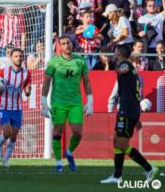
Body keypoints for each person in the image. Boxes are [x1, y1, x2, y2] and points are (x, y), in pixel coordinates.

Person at [101, 45, 158, 184]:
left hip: (127, 110)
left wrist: (121, 68)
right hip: (128, 110)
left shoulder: (125, 65)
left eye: (115, 52)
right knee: (116, 140)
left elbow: (124, 69)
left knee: (121, 143)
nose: (113, 54)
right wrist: (136, 116)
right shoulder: (133, 73)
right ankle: (117, 175)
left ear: (119, 53)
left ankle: (149, 167)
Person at [41, 36, 93, 172]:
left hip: (75, 103)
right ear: (59, 47)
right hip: (58, 102)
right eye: (63, 44)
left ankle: (69, 152)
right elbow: (46, 82)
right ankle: (58, 163)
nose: (67, 46)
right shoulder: (53, 62)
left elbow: (87, 81)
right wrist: (43, 102)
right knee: (57, 132)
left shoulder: (80, 61)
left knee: (77, 133)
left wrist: (90, 101)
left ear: (72, 44)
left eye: (68, 43)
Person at [0, 48, 31, 167]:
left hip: (17, 108)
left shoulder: (26, 73)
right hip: (4, 106)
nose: (18, 58)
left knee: (14, 135)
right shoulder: (4, 71)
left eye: (20, 56)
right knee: (7, 132)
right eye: (16, 56)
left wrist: (28, 91)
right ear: (11, 58)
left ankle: (6, 159)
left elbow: (27, 87)